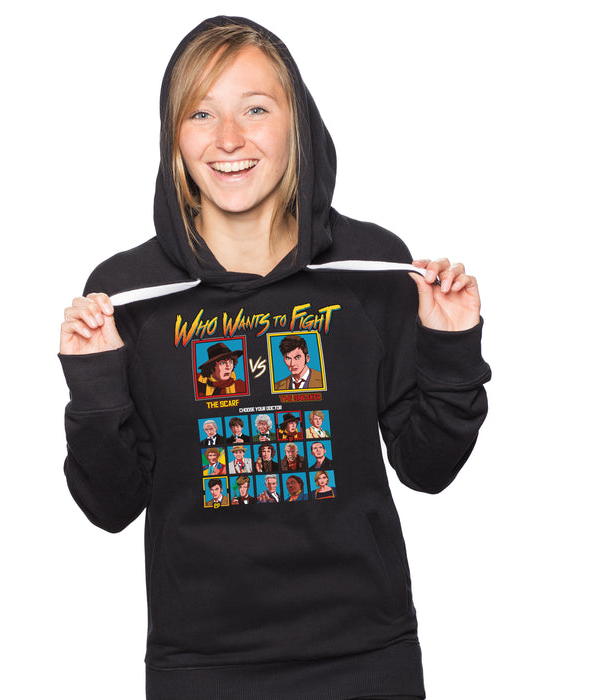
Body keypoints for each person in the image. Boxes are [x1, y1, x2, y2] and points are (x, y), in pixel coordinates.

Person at [59, 15, 490, 700]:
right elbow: (110, 505)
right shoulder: (128, 294)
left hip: (365, 658)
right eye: (201, 113)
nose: (229, 138)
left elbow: (428, 469)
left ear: (298, 125)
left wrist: (450, 346)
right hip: (200, 668)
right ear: (174, 136)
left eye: (255, 109)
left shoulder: (370, 268)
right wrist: (94, 386)